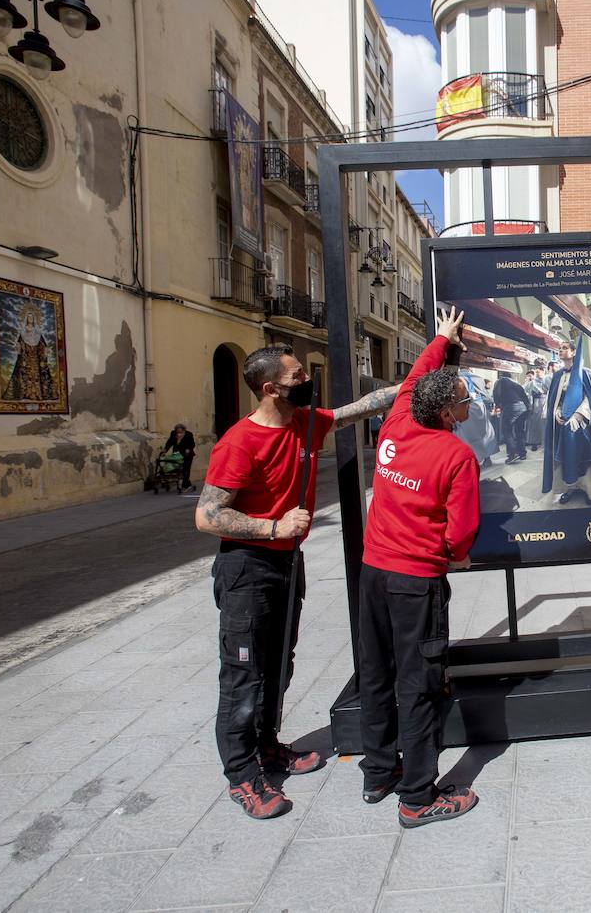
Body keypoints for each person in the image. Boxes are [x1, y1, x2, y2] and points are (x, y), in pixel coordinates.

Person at [196, 346, 399, 820]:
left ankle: (268, 747)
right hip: (248, 567)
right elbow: (207, 516)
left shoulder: (305, 422)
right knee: (244, 675)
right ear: (270, 388)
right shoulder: (239, 442)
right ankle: (243, 776)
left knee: (278, 665)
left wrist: (428, 371)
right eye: (298, 374)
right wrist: (272, 527)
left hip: (288, 564)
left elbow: (358, 410)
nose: (308, 379)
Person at [358, 306, 482, 827]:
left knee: (378, 672)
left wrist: (440, 340)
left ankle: (379, 771)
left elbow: (412, 379)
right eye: (463, 399)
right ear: (449, 414)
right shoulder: (455, 457)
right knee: (420, 683)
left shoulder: (397, 420)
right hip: (416, 582)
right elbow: (461, 532)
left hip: (372, 572)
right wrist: (456, 556)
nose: (469, 402)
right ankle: (418, 796)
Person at [542, 337, 591, 504]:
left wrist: (579, 414)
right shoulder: (558, 375)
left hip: (581, 423)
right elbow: (556, 399)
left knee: (583, 454)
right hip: (562, 424)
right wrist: (557, 411)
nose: (561, 350)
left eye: (565, 348)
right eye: (560, 348)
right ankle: (570, 487)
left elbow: (589, 397)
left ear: (573, 352)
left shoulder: (584, 372)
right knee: (565, 455)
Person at [453, 368, 499, 466]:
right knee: (485, 433)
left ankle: (473, 459)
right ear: (470, 370)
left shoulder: (457, 378)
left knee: (468, 435)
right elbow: (486, 396)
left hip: (467, 407)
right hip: (479, 406)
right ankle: (487, 458)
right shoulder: (478, 378)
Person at [492, 370, 530, 465]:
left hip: (510, 407)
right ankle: (522, 453)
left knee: (507, 430)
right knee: (519, 430)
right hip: (522, 407)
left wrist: (497, 406)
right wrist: (528, 407)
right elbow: (524, 395)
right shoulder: (515, 382)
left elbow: (496, 396)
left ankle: (513, 454)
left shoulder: (499, 382)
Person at [162, 423, 197, 492]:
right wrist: (165, 450)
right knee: (176, 468)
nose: (179, 433)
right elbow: (169, 442)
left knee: (186, 469)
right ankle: (186, 484)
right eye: (177, 432)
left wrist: (188, 449)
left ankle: (185, 485)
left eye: (180, 432)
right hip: (177, 454)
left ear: (183, 430)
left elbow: (192, 444)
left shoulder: (188, 434)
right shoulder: (173, 433)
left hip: (187, 455)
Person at [524, 368, 547, 451]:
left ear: (543, 372)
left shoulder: (547, 379)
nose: (537, 373)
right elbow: (525, 390)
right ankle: (534, 442)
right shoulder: (532, 382)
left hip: (546, 401)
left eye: (539, 372)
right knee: (535, 423)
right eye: (536, 372)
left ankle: (544, 442)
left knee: (544, 423)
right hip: (536, 403)